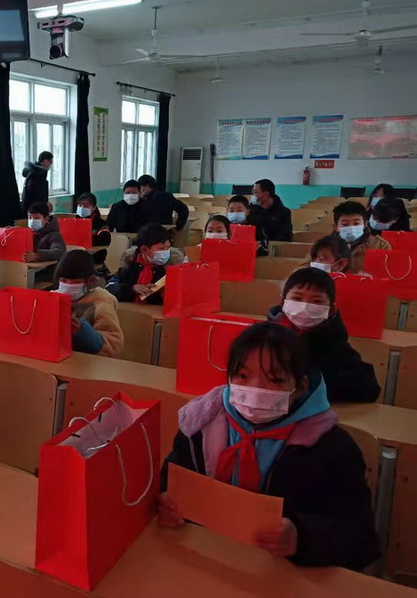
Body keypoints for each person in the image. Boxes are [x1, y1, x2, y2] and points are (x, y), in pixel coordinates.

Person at [159, 322, 379, 570]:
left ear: (300, 387)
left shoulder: (331, 447)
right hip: (204, 560)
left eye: (274, 379)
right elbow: (170, 480)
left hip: (282, 574)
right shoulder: (200, 425)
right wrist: (165, 502)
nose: (254, 388)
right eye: (243, 376)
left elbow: (361, 538)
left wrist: (301, 537)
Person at [268, 268, 379, 404]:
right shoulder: (265, 336)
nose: (304, 307)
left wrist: (309, 383)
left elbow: (369, 388)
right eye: (297, 298)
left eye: (316, 301)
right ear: (283, 302)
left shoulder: (335, 343)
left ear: (331, 310)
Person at [54, 250, 124, 357]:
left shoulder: (101, 303)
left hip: (89, 362)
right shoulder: (52, 299)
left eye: (76, 282)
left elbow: (113, 345)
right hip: (57, 358)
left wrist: (82, 332)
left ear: (91, 281)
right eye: (64, 281)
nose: (68, 285)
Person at [106, 223, 185, 305]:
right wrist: (132, 288)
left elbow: (183, 297)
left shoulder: (173, 268)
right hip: (130, 309)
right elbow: (109, 288)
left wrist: (166, 292)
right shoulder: (129, 265)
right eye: (161, 248)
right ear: (144, 249)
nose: (166, 252)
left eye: (168, 248)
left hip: (156, 311)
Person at [331, 201, 390, 274]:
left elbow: (387, 273)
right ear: (336, 227)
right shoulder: (326, 247)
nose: (351, 228)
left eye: (356, 223)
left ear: (365, 224)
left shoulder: (381, 245)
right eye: (345, 224)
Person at [75, 192, 111, 277]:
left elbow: (105, 239)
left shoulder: (100, 223)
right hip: (75, 256)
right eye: (80, 205)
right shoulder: (72, 221)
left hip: (94, 257)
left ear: (94, 207)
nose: (82, 208)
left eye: (86, 206)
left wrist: (83, 238)